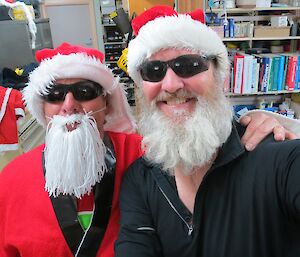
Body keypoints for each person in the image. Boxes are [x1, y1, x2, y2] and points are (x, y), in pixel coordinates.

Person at [0, 43, 295, 257]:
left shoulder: (145, 156)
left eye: (84, 92)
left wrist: (254, 123)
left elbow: (194, 133)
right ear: (43, 109)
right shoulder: (9, 181)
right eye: (53, 95)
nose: (68, 105)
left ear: (106, 104)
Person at [115, 6, 300, 257]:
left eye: (189, 65)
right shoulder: (140, 179)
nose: (170, 85)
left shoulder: (279, 159)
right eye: (153, 71)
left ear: (219, 75)